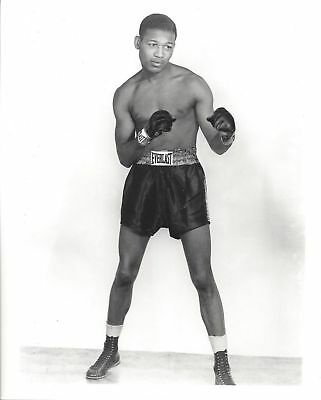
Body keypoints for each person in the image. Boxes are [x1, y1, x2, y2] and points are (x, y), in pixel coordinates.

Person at [86, 13, 236, 385]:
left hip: (185, 178)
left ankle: (221, 362)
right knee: (125, 271)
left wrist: (226, 134)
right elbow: (124, 157)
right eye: (153, 44)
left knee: (202, 276)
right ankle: (110, 348)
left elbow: (216, 146)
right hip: (144, 180)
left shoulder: (193, 85)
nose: (160, 53)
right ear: (138, 43)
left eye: (168, 46)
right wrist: (145, 136)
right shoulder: (126, 94)